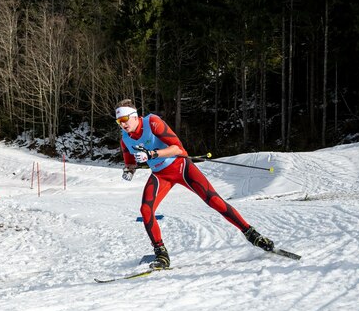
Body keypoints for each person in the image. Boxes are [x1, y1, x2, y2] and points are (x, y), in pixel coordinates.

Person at [116, 99, 274, 269]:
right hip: (160, 174)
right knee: (146, 210)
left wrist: (152, 154)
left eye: (124, 119)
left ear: (134, 116)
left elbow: (178, 148)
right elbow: (130, 164)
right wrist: (129, 172)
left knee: (213, 200)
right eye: (118, 121)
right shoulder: (125, 140)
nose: (122, 124)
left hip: (181, 167)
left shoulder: (152, 122)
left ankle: (252, 234)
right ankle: (161, 254)